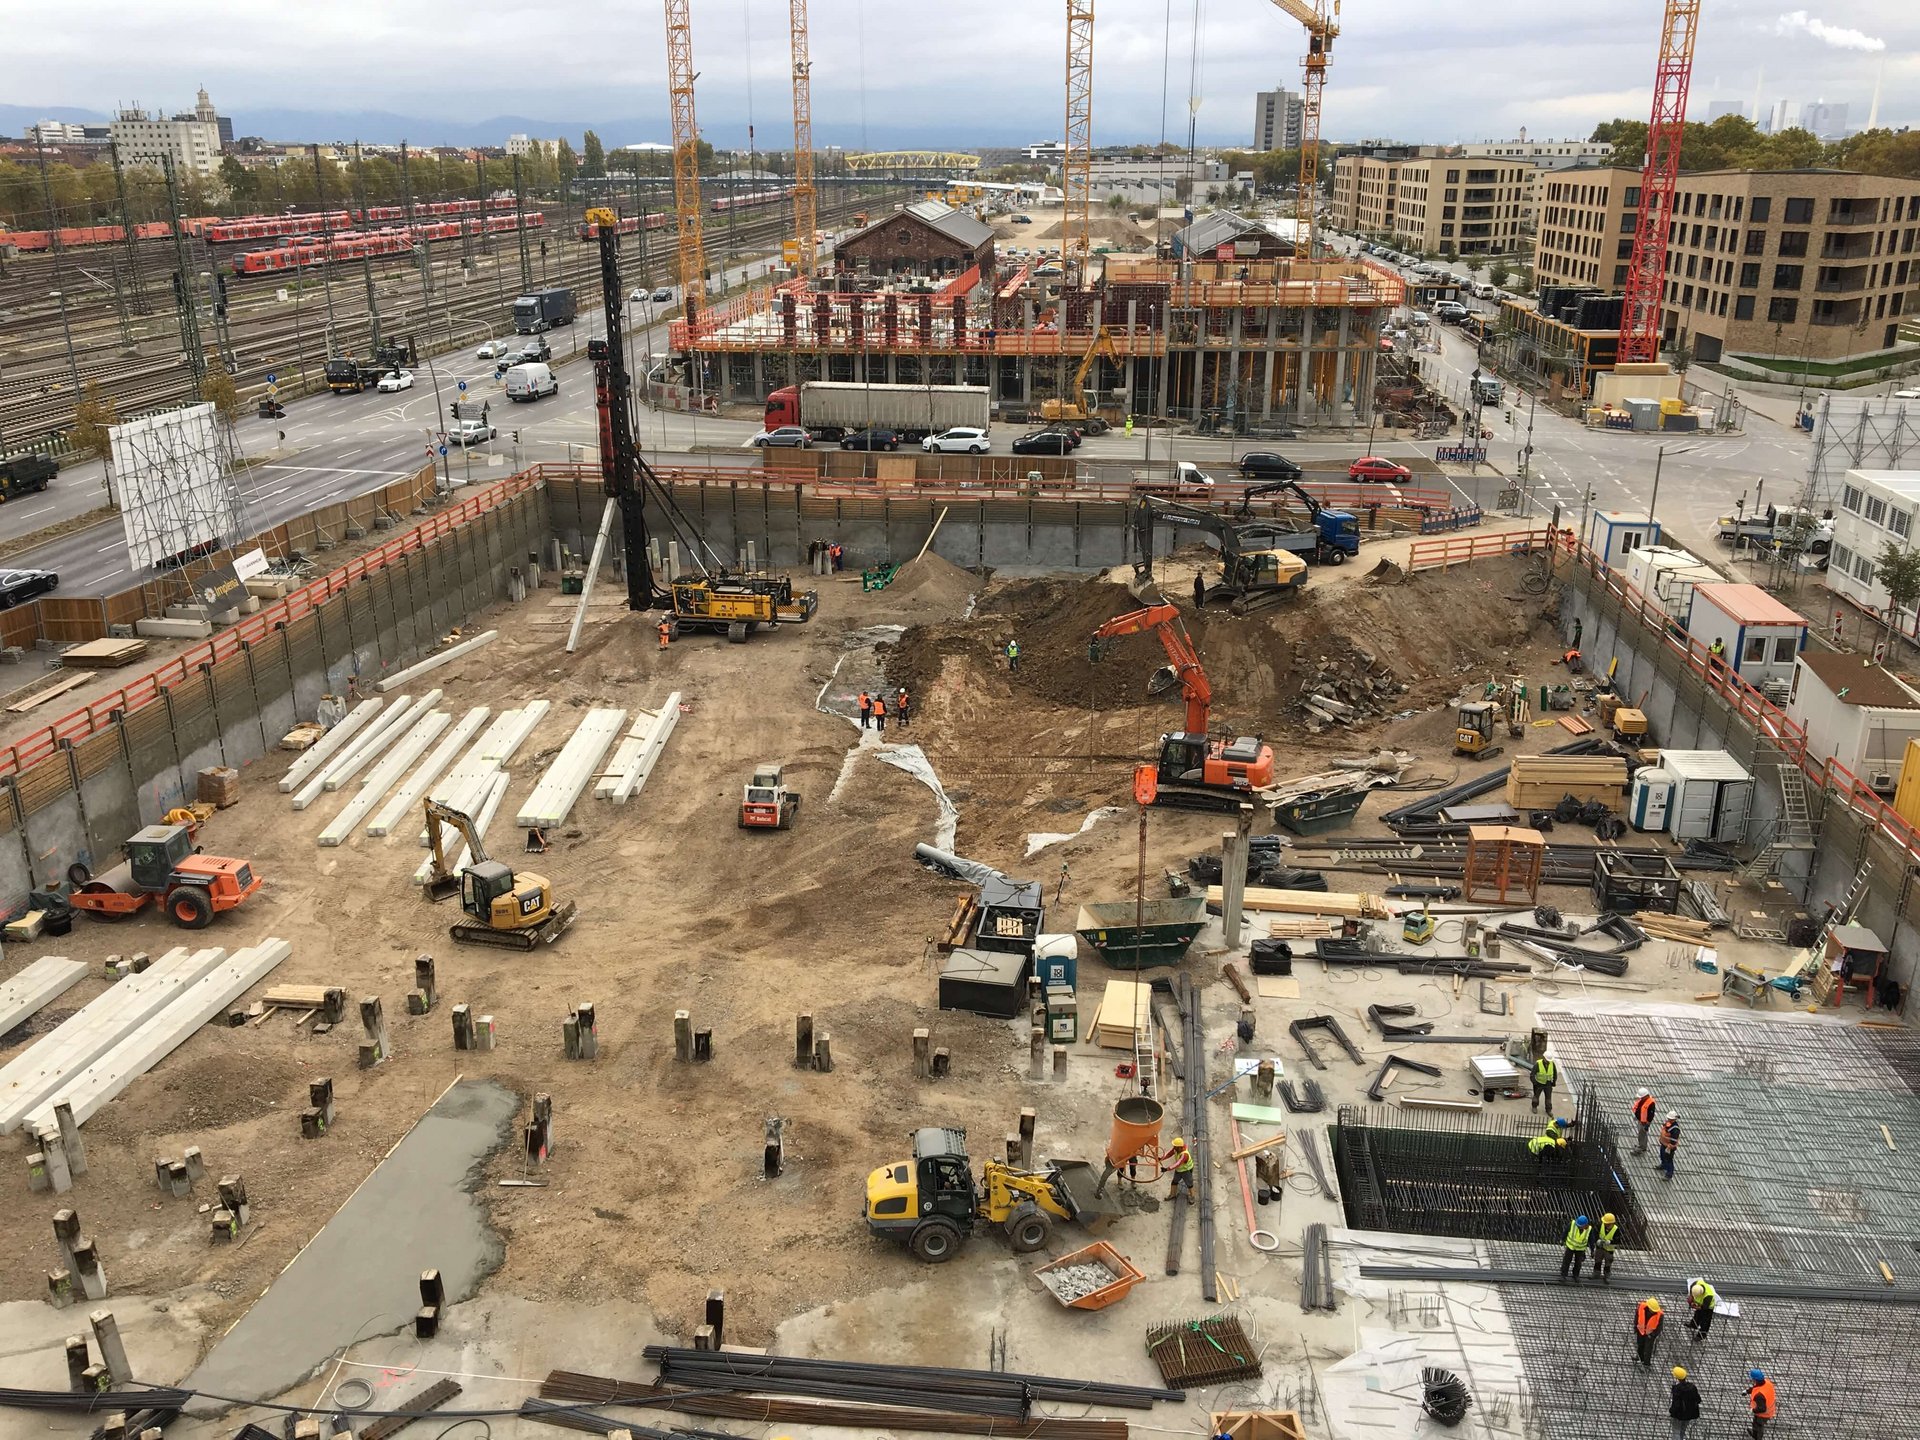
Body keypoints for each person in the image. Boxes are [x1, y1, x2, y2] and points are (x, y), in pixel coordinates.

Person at [1159, 1136, 1195, 1200]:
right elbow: (1169, 1154)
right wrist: (1161, 1158)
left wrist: (1166, 1169)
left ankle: (1192, 1197)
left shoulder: (1184, 1155)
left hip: (1186, 1170)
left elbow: (1177, 1164)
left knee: (1189, 1184)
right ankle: (1172, 1195)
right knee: (1174, 1182)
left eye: (1175, 1147)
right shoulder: (1176, 1149)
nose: (1174, 1148)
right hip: (1179, 1170)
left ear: (1180, 1147)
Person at [1669, 1367, 1702, 1438]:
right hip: (1689, 1415)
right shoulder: (1692, 1387)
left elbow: (1676, 1404)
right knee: (1683, 1431)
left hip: (1679, 1415)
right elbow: (1698, 1400)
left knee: (1676, 1432)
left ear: (1677, 1378)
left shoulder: (1677, 1389)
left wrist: (1671, 1411)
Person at [1559, 1213, 1593, 1282]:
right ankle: (1563, 1275)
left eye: (1580, 1226)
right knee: (1566, 1261)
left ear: (1585, 1225)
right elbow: (1566, 1231)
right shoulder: (1572, 1224)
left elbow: (1591, 1240)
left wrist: (1592, 1250)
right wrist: (1562, 1239)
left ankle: (1576, 1275)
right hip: (1570, 1247)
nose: (1578, 1227)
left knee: (1578, 1263)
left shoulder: (1589, 1229)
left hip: (1580, 1249)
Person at [1634, 1296, 1664, 1367]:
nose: (1654, 1311)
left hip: (1650, 1334)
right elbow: (1636, 1317)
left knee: (1648, 1349)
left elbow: (1659, 1328)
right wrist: (1635, 1327)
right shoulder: (1641, 1307)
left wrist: (1653, 1335)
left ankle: (1646, 1364)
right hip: (1640, 1331)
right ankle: (1639, 1358)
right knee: (1640, 1345)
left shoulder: (1660, 1315)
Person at [1746, 1368, 1776, 1438]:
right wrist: (1747, 1391)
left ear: (1754, 1379)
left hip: (1763, 1414)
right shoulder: (1767, 1382)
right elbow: (1757, 1387)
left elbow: (1762, 1409)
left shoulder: (1759, 1395)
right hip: (1768, 1409)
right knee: (1755, 1423)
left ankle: (1757, 1437)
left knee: (1759, 1426)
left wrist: (1753, 1410)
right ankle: (1754, 1433)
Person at [1593, 1211, 1619, 1283]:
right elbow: (1595, 1234)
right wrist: (1597, 1240)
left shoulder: (1616, 1229)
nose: (1605, 1224)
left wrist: (1611, 1242)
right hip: (1600, 1247)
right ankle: (1596, 1273)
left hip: (1609, 1250)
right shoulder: (1600, 1225)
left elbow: (1618, 1240)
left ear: (1611, 1223)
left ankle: (1607, 1276)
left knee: (1608, 1263)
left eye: (1607, 1223)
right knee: (1597, 1260)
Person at [1632, 1089, 1658, 1154]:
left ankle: (1641, 1147)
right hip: (1640, 1120)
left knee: (1642, 1134)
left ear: (1645, 1096)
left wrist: (1647, 1124)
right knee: (1642, 1133)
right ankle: (1643, 1146)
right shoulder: (1643, 1100)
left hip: (1644, 1122)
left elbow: (1651, 1115)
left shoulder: (1651, 1103)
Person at [1658, 1111, 1680, 1180]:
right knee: (1662, 1155)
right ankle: (1663, 1165)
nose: (1668, 1119)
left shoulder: (1675, 1129)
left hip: (1669, 1146)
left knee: (1669, 1159)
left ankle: (1669, 1174)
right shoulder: (1668, 1124)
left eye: (1669, 1118)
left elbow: (1674, 1140)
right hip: (1664, 1143)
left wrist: (1669, 1147)